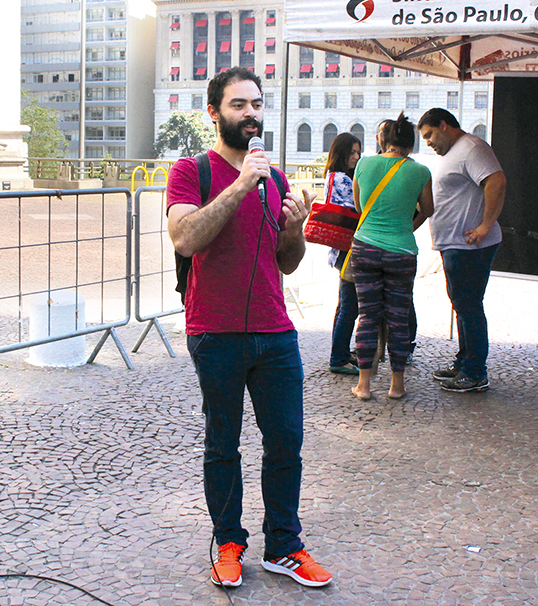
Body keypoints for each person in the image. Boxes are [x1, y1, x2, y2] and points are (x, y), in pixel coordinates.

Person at [166, 66, 332, 589]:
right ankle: (229, 542)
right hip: (213, 331)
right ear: (214, 112)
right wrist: (242, 182)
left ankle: (284, 545)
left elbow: (287, 263)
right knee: (223, 443)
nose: (251, 114)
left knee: (286, 441)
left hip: (275, 330)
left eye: (257, 104)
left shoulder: (276, 178)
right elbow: (185, 238)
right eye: (239, 105)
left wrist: (295, 229)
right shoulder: (191, 171)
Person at [418, 108, 505, 393]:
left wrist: (485, 225)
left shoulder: (471, 148)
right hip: (456, 245)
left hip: (469, 245)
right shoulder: (457, 152)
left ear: (444, 125)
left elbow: (497, 181)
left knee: (469, 306)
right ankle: (465, 362)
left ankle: (475, 372)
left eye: (430, 134)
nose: (428, 142)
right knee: (463, 304)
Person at [349, 113, 434, 400]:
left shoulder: (364, 164)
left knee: (367, 315)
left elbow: (361, 206)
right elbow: (428, 209)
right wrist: (408, 226)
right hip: (402, 252)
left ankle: (363, 385)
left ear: (384, 141)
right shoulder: (420, 172)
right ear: (411, 144)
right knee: (398, 317)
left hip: (366, 247)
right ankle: (397, 386)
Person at [324, 132, 362, 375]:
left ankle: (342, 352)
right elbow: (357, 208)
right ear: (342, 154)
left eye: (359, 152)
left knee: (346, 304)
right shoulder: (340, 178)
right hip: (347, 249)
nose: (357, 157)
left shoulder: (335, 175)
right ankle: (338, 357)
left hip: (341, 249)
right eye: (352, 153)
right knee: (350, 306)